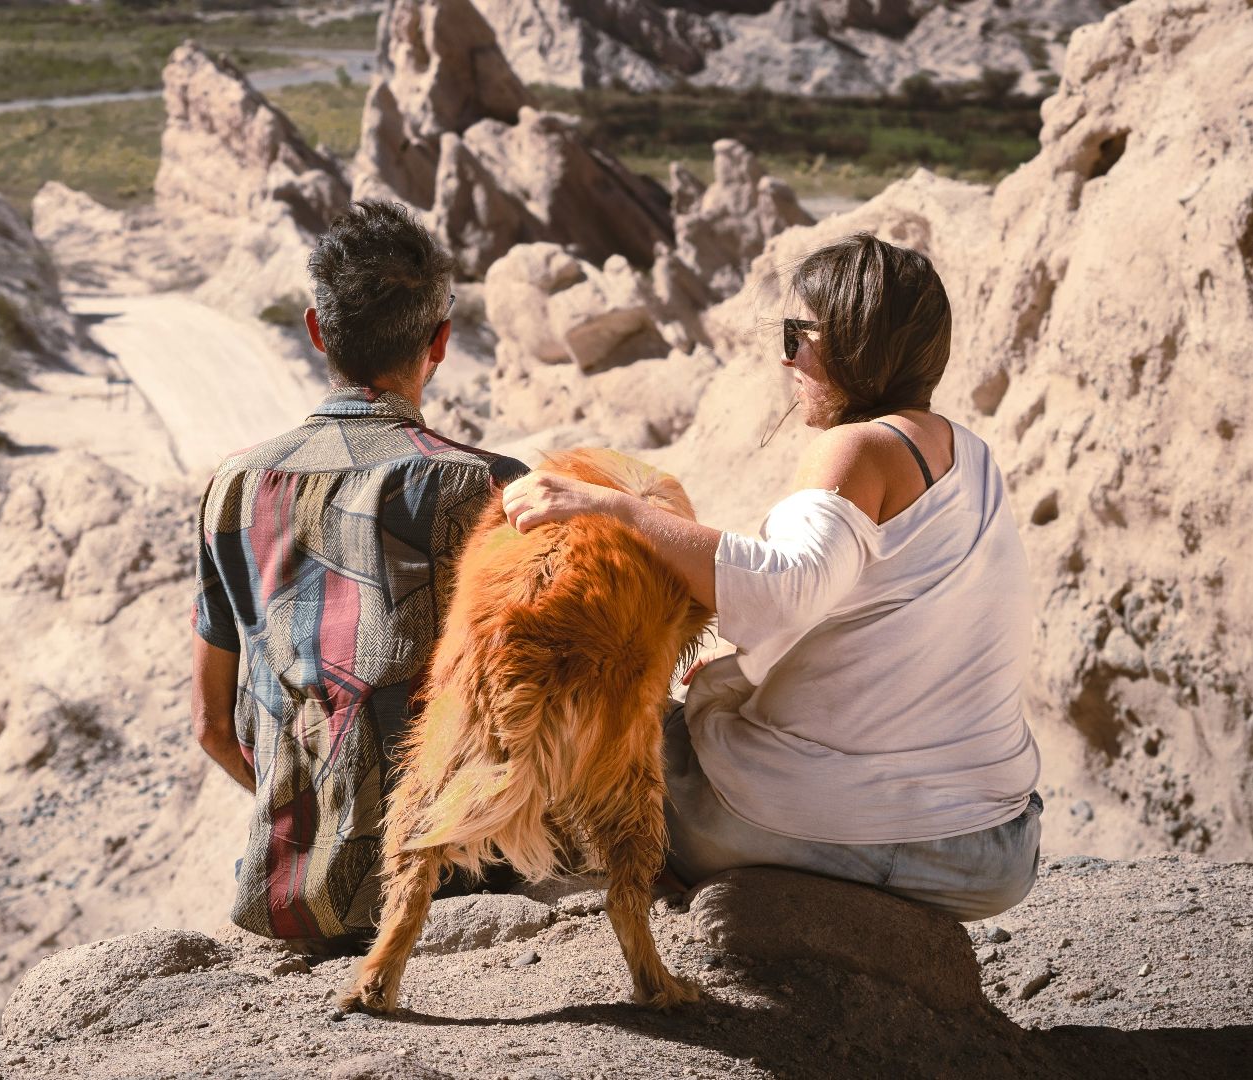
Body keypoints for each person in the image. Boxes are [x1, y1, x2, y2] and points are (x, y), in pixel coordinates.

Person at [501, 233, 1042, 921]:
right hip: (992, 849)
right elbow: (870, 627)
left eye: (799, 335)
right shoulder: (972, 455)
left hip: (817, 825)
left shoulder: (858, 447)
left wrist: (614, 508)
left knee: (597, 722)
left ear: (853, 341)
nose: (787, 358)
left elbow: (785, 590)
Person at [190, 201, 527, 945]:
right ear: (439, 340)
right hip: (451, 890)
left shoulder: (233, 488)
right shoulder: (495, 488)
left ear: (317, 331)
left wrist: (325, 817)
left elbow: (213, 728)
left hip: (289, 904)